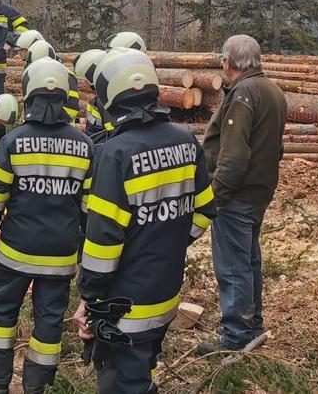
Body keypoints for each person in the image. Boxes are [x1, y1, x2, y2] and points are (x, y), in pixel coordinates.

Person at [72, 48, 215, 394]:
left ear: (111, 97)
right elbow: (206, 209)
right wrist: (169, 242)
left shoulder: (114, 154)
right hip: (166, 294)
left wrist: (90, 297)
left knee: (122, 384)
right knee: (140, 377)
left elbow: (103, 243)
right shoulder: (185, 141)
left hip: (125, 306)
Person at [0, 57, 93, 394]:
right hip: (61, 254)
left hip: (16, 252)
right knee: (50, 321)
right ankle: (39, 386)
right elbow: (89, 207)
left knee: (1, 312)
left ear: (28, 96)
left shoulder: (13, 142)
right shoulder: (84, 146)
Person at [198, 35, 286, 355]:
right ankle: (253, 327)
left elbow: (234, 157)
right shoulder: (273, 91)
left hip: (236, 195)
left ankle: (234, 338)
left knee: (233, 265)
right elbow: (277, 148)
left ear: (229, 61)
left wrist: (215, 195)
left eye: (223, 59)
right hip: (258, 193)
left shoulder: (242, 93)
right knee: (249, 260)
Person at [23, 39, 81, 122]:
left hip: (61, 127)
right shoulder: (41, 74)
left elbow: (72, 107)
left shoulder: (66, 75)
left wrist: (54, 121)